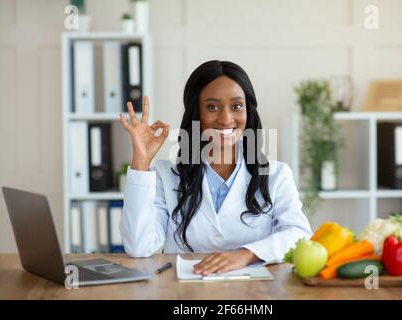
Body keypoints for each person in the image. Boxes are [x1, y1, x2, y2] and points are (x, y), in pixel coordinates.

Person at [119, 60, 312, 276]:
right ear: (196, 113)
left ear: (248, 111)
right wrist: (141, 162)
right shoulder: (167, 176)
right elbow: (138, 248)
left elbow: (299, 234)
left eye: (237, 106)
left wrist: (246, 254)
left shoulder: (276, 175)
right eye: (212, 107)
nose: (226, 118)